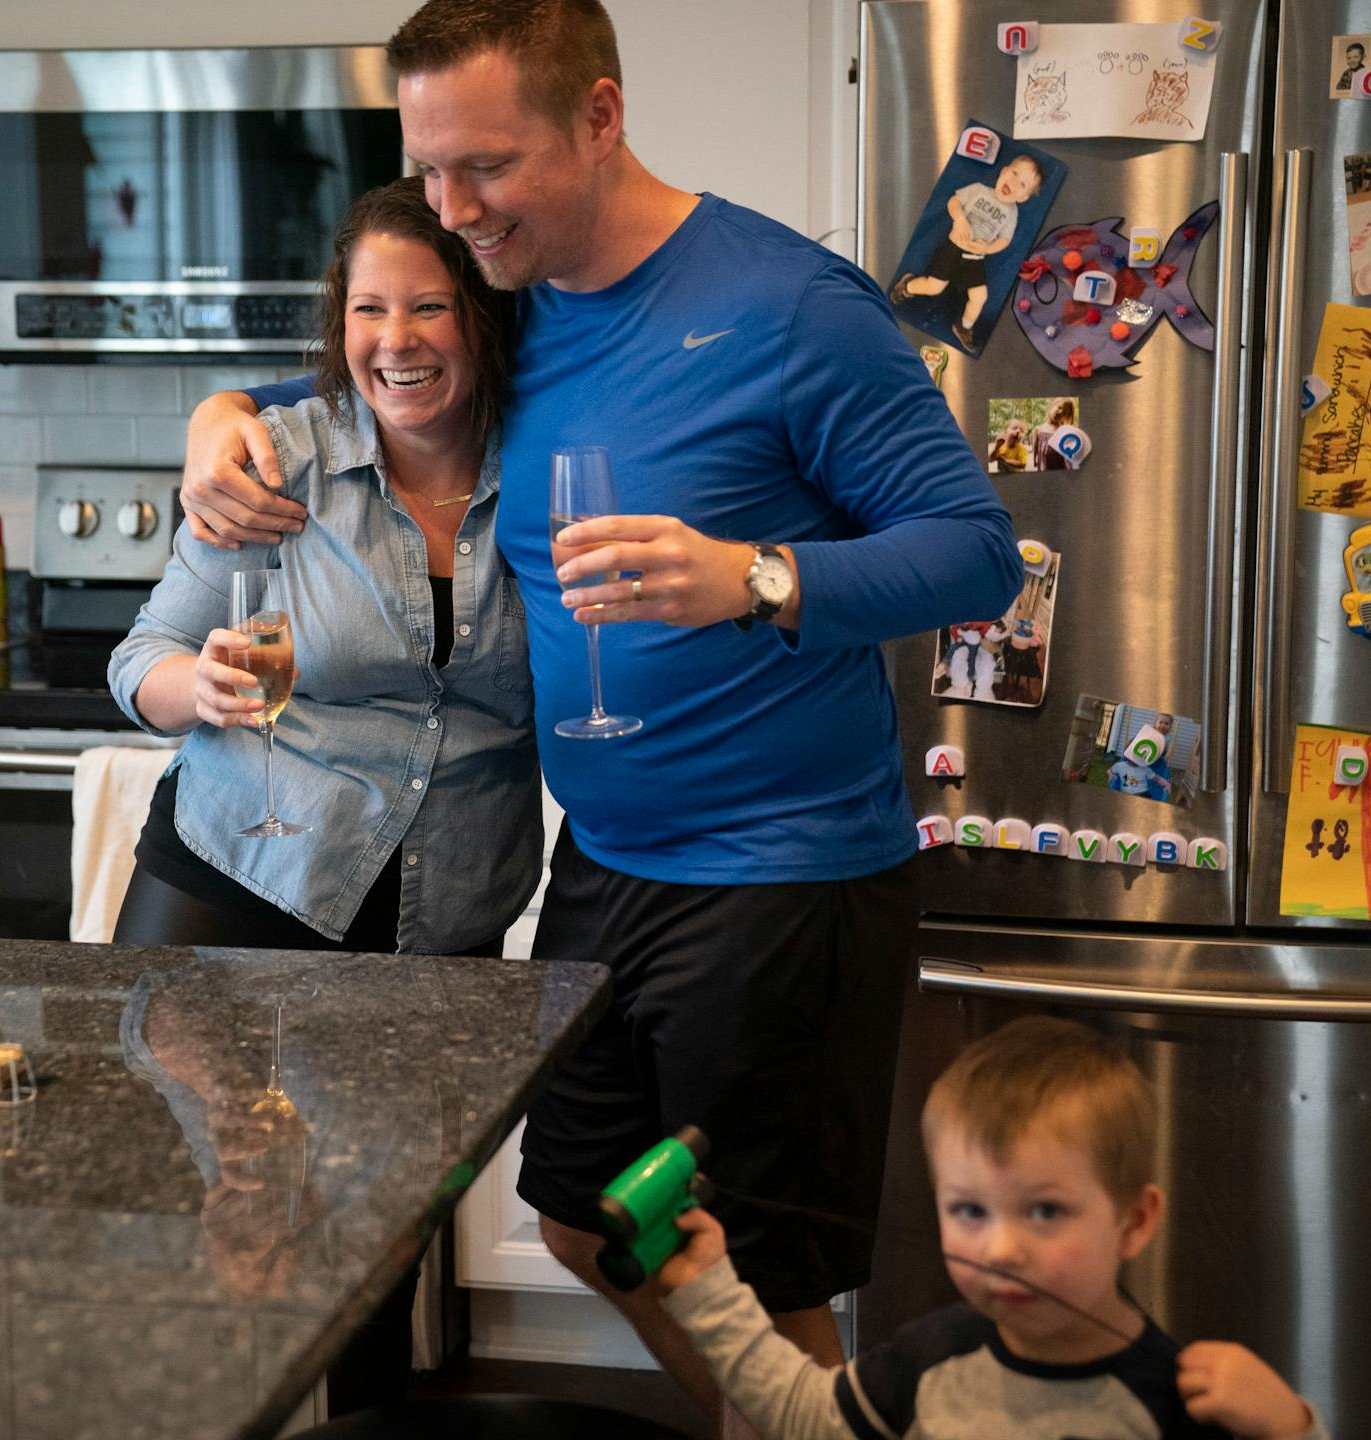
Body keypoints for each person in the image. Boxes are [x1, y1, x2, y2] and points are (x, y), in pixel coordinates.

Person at [171, 3, 1022, 1431]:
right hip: (609, 866)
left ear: (601, 119)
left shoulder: (790, 307)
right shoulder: (514, 303)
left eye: (485, 168)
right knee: (583, 1220)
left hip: (783, 875)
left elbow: (976, 552)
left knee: (748, 1266)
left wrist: (752, 576)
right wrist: (218, 414)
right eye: (428, 170)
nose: (453, 211)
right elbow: (360, 376)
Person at [107, 174, 540, 959]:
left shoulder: (543, 473)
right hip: (238, 873)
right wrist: (196, 687)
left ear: (482, 317)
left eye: (429, 306)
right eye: (368, 309)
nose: (395, 338)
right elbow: (141, 657)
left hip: (449, 912)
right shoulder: (278, 462)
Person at [655, 1018, 1331, 1440]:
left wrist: (1291, 1428)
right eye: (971, 1212)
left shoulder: (1176, 1400)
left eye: (1044, 1211)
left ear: (1134, 1221)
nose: (1002, 1250)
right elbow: (810, 1417)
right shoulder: (933, 1355)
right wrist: (711, 1289)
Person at [889, 153, 1046, 348]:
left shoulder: (1012, 213)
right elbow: (953, 202)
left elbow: (1005, 240)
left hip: (975, 257)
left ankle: (964, 325)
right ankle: (908, 285)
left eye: (1022, 184)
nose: (1013, 183)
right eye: (1014, 173)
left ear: (1023, 197)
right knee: (934, 287)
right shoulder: (979, 190)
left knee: (980, 297)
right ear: (1003, 171)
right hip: (953, 248)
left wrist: (989, 248)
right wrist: (960, 219)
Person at [1029, 396, 1077, 471]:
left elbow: (1069, 454)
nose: (1060, 412)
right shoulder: (1038, 429)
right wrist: (1034, 459)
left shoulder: (1063, 432)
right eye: (1059, 407)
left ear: (1066, 417)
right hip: (1043, 466)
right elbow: (1035, 447)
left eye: (1064, 413)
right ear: (1052, 405)